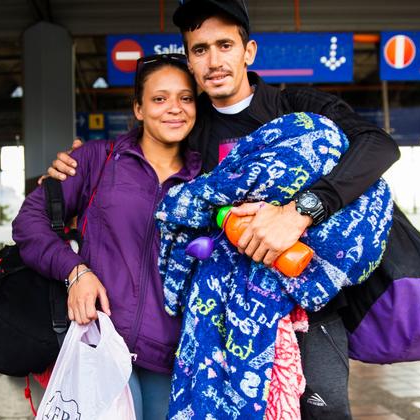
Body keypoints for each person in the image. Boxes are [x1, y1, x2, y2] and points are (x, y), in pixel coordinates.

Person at [47, 1, 400, 417]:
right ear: (191, 62)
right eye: (200, 50)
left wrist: (298, 213)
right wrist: (69, 171)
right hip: (226, 315)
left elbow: (378, 145)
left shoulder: (296, 107)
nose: (214, 61)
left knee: (325, 411)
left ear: (248, 52)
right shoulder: (189, 129)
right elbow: (133, 164)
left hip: (311, 306)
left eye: (225, 45)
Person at [12, 54, 201, 420]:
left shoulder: (208, 180)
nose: (174, 109)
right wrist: (75, 271)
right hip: (99, 343)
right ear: (139, 109)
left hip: (173, 354)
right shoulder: (97, 160)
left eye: (186, 98)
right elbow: (29, 221)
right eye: (159, 99)